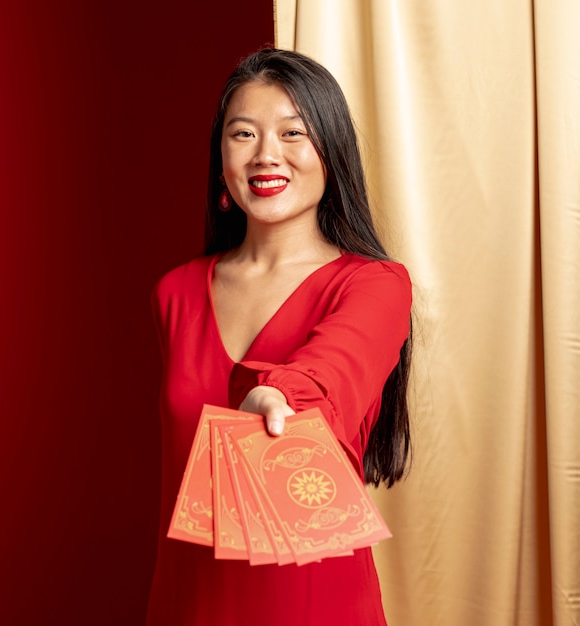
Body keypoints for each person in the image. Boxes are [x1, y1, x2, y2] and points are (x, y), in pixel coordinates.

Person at [147, 48, 413, 626]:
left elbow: (329, 374)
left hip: (314, 606)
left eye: (294, 133)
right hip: (187, 602)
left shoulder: (374, 285)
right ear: (221, 159)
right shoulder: (175, 293)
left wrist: (276, 398)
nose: (267, 155)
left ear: (332, 153)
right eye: (244, 133)